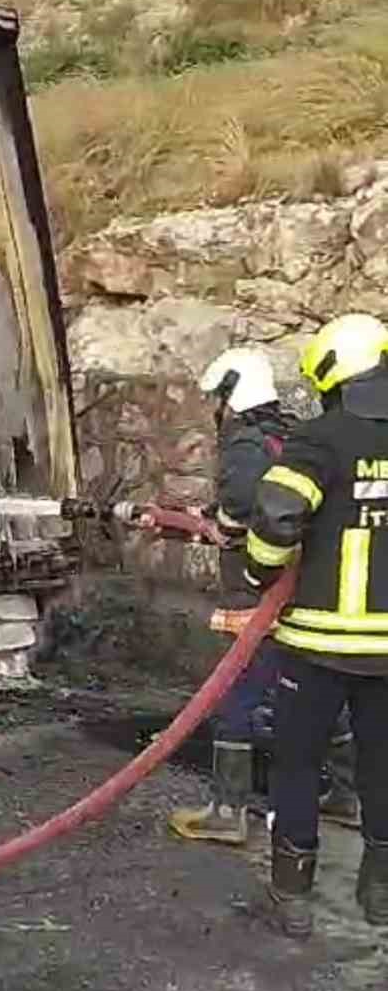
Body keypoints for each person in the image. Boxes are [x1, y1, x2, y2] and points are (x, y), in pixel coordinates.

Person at [169, 348, 359, 845]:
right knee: (314, 692)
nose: (216, 408)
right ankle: (348, 794)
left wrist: (219, 526)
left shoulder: (244, 442)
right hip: (300, 593)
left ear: (231, 393)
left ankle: (228, 811)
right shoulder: (292, 434)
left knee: (237, 693)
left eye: (218, 397)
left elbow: (242, 509)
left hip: (255, 591)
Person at [245, 314, 388, 937]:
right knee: (382, 766)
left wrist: (259, 569)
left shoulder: (321, 439)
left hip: (317, 645)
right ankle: (380, 894)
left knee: (298, 764)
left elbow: (278, 512)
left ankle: (293, 895)